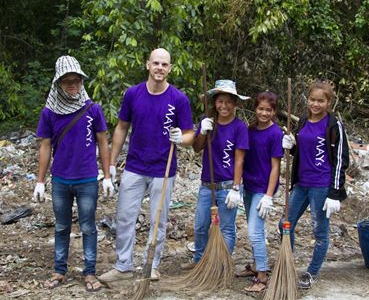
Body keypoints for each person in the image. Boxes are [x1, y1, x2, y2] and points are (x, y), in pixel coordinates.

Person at [98, 48, 194, 283]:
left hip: (163, 168)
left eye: (165, 64)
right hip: (134, 167)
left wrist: (180, 138)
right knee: (124, 216)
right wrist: (110, 163)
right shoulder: (133, 94)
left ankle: (151, 265)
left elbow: (191, 134)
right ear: (147, 65)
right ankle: (123, 265)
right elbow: (121, 127)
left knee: (158, 220)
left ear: (170, 69)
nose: (160, 68)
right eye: (156, 63)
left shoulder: (178, 99)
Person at [34, 55, 113, 292]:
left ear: (81, 81)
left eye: (76, 80)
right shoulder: (50, 113)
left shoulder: (92, 109)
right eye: (67, 81)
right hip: (60, 179)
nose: (73, 85)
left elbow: (103, 141)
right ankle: (59, 270)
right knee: (61, 227)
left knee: (88, 227)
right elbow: (45, 145)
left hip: (87, 178)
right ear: (58, 83)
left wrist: (107, 175)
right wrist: (39, 181)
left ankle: (89, 272)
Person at [281, 79, 349, 289]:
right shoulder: (302, 121)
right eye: (312, 100)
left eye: (321, 101)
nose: (316, 104)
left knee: (319, 231)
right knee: (285, 224)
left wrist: (335, 192)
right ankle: (288, 264)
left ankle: (312, 272)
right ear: (307, 100)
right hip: (301, 183)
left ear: (328, 102)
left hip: (321, 185)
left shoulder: (333, 125)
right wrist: (291, 145)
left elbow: (341, 159)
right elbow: (300, 152)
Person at [183, 80, 249, 268]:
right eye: (220, 101)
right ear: (214, 102)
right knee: (201, 226)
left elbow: (239, 159)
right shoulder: (208, 121)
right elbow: (197, 148)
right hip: (207, 184)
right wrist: (202, 131)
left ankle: (222, 263)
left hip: (228, 185)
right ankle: (199, 262)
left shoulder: (239, 127)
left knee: (226, 228)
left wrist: (236, 188)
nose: (224, 106)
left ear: (235, 103)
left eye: (228, 101)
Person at [237, 91, 283, 292]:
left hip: (263, 189)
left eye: (268, 110)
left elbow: (275, 167)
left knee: (255, 233)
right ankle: (256, 265)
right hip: (248, 185)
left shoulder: (275, 133)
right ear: (255, 109)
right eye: (261, 109)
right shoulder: (251, 130)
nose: (264, 113)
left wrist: (268, 196)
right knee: (253, 227)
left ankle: (262, 276)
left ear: (274, 111)